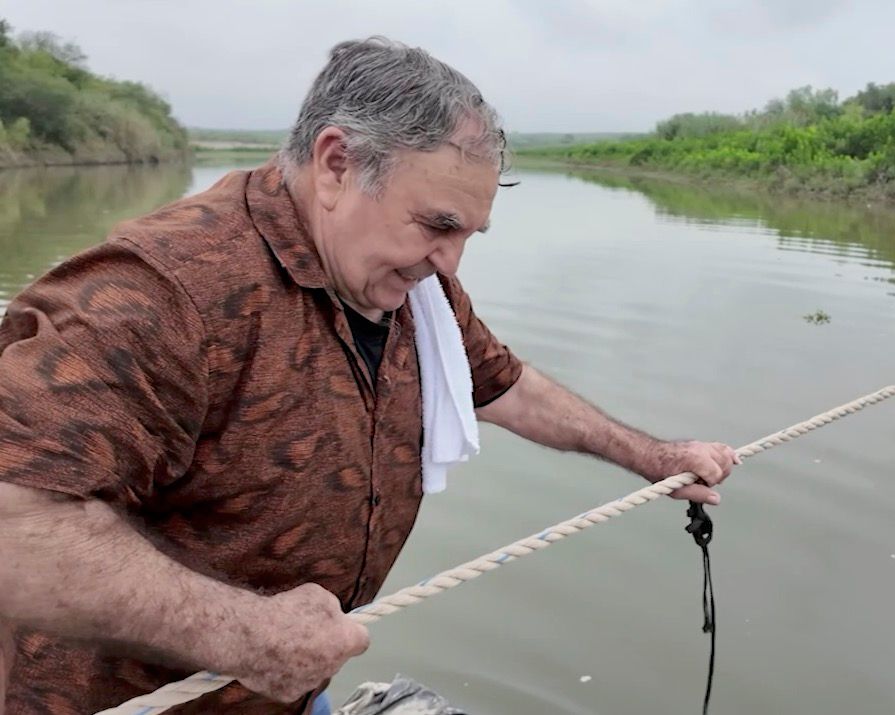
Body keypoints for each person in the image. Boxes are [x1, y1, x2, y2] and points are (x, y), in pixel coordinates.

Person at [0, 37, 736, 715]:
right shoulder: (164, 290)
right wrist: (246, 635)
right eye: (436, 225)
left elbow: (502, 383)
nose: (450, 261)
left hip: (288, 694)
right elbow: (14, 521)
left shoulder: (413, 286)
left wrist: (654, 457)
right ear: (334, 164)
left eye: (466, 235)